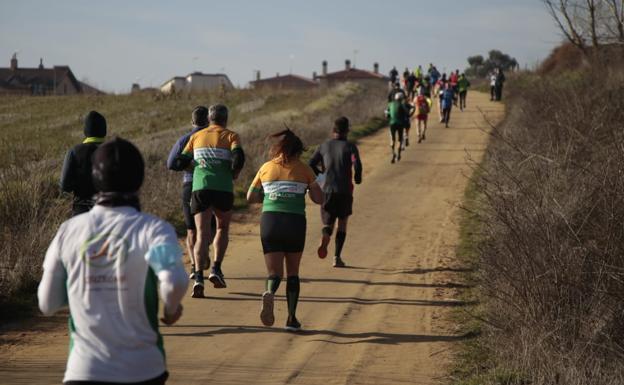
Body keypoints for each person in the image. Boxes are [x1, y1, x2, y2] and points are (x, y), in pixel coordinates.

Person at [38, 137, 188, 385]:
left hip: (84, 371)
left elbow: (47, 303)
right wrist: (171, 310)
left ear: (95, 179)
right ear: (139, 179)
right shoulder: (154, 230)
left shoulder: (68, 231)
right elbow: (174, 282)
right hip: (142, 369)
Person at [247, 129, 323, 331]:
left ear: (277, 149)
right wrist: (309, 187)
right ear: (298, 151)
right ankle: (291, 318)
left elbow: (250, 197)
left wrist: (270, 195)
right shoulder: (305, 170)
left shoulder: (265, 168)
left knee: (274, 273)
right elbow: (319, 199)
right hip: (294, 223)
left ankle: (270, 291)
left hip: (270, 222)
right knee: (293, 273)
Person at [174, 104, 245, 298]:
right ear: (226, 119)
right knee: (221, 228)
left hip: (200, 188)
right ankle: (216, 269)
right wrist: (234, 172)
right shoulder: (232, 136)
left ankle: (198, 276)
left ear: (209, 118)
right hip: (223, 188)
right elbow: (239, 158)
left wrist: (195, 165)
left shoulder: (196, 136)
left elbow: (179, 161)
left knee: (202, 232)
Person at [166, 106, 215, 280]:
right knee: (209, 228)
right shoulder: (214, 137)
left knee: (192, 230)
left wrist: (188, 165)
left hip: (189, 184)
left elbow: (171, 163)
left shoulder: (185, 139)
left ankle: (195, 265)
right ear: (209, 120)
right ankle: (203, 254)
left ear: (192, 121)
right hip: (212, 184)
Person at [309, 117, 362, 268]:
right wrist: (358, 176)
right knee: (342, 222)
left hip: (327, 191)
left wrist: (320, 175)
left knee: (328, 221)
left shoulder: (324, 146)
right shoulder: (350, 147)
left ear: (333, 131)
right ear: (347, 131)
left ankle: (326, 233)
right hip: (345, 190)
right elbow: (356, 163)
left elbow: (311, 163)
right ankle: (337, 257)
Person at [60, 111, 107, 216]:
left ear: (85, 130)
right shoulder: (113, 152)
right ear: (104, 130)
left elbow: (64, 186)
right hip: (106, 214)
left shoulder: (74, 152)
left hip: (80, 213)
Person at [386, 92, 410, 163]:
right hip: (400, 124)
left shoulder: (390, 104)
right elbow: (407, 113)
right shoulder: (402, 105)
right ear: (401, 98)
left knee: (393, 139)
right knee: (399, 139)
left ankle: (393, 153)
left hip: (392, 124)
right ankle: (399, 154)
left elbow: (387, 114)